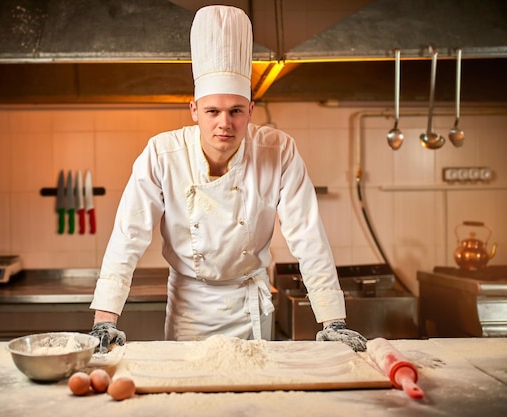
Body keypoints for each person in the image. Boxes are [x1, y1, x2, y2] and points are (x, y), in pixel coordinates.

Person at [89, 5, 367, 353]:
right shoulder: (162, 154)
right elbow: (129, 235)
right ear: (193, 110)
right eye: (213, 111)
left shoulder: (278, 150)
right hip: (190, 305)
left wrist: (333, 320)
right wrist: (105, 319)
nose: (225, 123)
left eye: (236, 111)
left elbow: (308, 235)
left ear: (250, 109)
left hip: (248, 304)